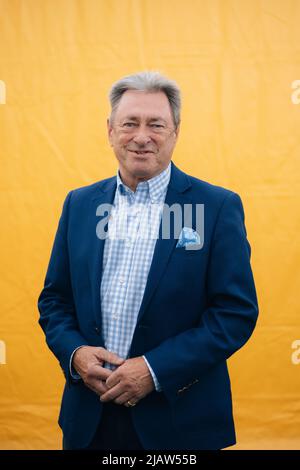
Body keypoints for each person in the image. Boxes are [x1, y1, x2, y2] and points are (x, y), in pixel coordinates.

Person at [38, 71, 258, 450]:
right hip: (90, 420)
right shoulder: (80, 204)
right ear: (110, 130)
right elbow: (55, 300)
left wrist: (154, 371)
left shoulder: (216, 207)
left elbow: (234, 313)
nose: (141, 136)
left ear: (175, 132)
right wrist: (75, 354)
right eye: (129, 123)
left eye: (156, 124)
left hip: (178, 422)